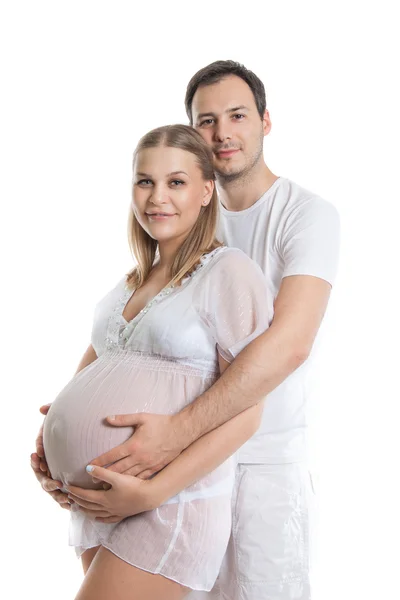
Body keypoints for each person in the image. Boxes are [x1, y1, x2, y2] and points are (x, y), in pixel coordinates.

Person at [32, 61, 340, 600]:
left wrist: (169, 448)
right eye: (207, 120)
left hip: (249, 464)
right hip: (137, 481)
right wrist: (57, 430)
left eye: (237, 115)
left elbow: (288, 346)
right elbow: (119, 343)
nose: (222, 133)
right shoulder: (169, 245)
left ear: (266, 121)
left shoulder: (298, 219)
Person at [36, 123, 272, 600]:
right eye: (145, 181)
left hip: (170, 504)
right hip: (99, 503)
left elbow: (248, 411)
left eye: (176, 182)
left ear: (207, 191)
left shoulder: (228, 272)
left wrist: (153, 492)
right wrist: (51, 447)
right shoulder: (129, 283)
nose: (157, 197)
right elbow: (96, 366)